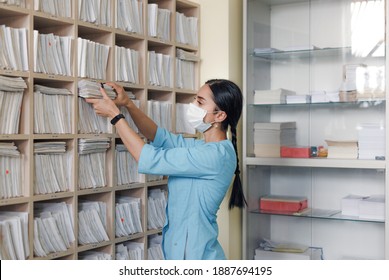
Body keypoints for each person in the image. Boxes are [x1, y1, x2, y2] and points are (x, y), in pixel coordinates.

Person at [86, 79, 246, 260]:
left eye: (200, 102)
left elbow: (149, 158)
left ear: (219, 116)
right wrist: (128, 104)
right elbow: (158, 136)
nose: (193, 105)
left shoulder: (215, 155)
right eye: (195, 99)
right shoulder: (202, 147)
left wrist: (115, 116)